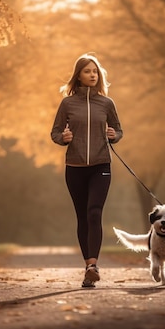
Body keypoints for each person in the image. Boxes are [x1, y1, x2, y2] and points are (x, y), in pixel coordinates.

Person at [50, 53, 123, 288]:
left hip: (101, 165)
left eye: (95, 71)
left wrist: (114, 136)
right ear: (78, 76)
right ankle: (87, 268)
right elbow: (55, 132)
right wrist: (63, 138)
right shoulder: (67, 103)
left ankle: (93, 265)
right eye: (87, 71)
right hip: (75, 167)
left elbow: (119, 130)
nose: (92, 75)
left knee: (94, 212)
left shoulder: (107, 103)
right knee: (82, 216)